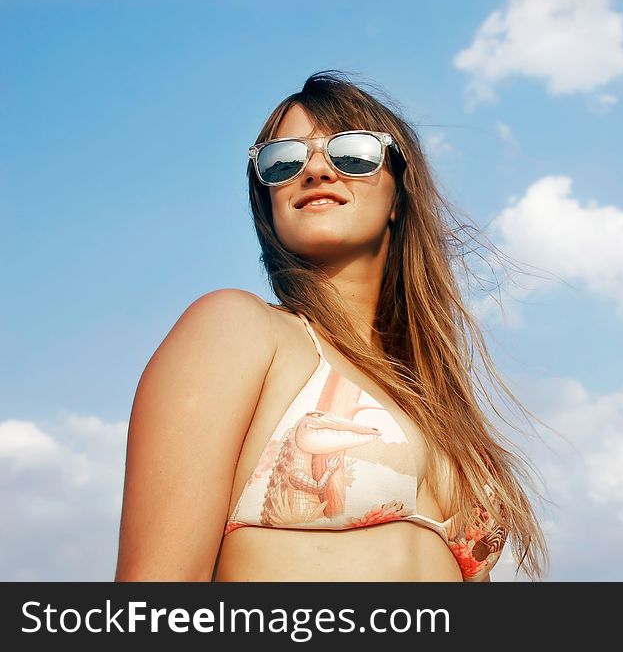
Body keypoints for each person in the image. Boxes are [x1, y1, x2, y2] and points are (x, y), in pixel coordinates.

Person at [115, 70, 548, 582]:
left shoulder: (436, 399)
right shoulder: (237, 329)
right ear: (267, 203)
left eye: (353, 153)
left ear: (398, 193)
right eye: (283, 161)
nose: (316, 170)